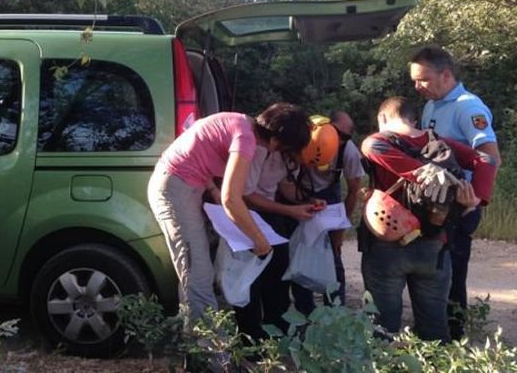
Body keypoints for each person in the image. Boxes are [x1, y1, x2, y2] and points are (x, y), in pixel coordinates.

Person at [147, 103, 311, 329]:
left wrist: (213, 191)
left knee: (196, 269)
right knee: (198, 271)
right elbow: (232, 199)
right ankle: (211, 356)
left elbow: (197, 152)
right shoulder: (245, 139)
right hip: (175, 188)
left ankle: (193, 345)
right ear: (275, 141)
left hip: (189, 184)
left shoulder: (241, 123)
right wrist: (260, 240)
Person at [360, 96, 496, 342]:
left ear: (382, 118)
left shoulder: (377, 141)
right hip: (435, 245)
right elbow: (486, 160)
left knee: (382, 328)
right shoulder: (439, 142)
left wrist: (419, 172)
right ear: (414, 120)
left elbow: (370, 148)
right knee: (434, 331)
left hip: (387, 246)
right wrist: (476, 199)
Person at [409, 45, 502, 340]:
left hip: (461, 207)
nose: (417, 86)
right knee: (432, 267)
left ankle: (454, 335)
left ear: (445, 74)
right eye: (414, 80)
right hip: (434, 204)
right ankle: (431, 330)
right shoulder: (431, 105)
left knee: (450, 271)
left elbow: (491, 157)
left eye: (423, 79)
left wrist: (476, 199)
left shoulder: (468, 107)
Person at [234, 135, 326, 341]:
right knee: (251, 277)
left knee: (279, 270)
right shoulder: (258, 150)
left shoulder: (289, 157)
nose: (303, 165)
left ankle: (277, 328)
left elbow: (285, 186)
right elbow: (247, 195)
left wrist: (306, 201)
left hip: (271, 212)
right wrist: (289, 211)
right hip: (245, 213)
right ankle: (250, 337)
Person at [292, 111, 365, 313]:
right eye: (338, 133)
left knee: (333, 258)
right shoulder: (302, 139)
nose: (340, 141)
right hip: (298, 195)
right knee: (300, 257)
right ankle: (304, 312)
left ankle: (335, 313)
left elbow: (353, 191)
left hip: (330, 202)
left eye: (346, 138)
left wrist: (340, 232)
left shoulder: (348, 152)